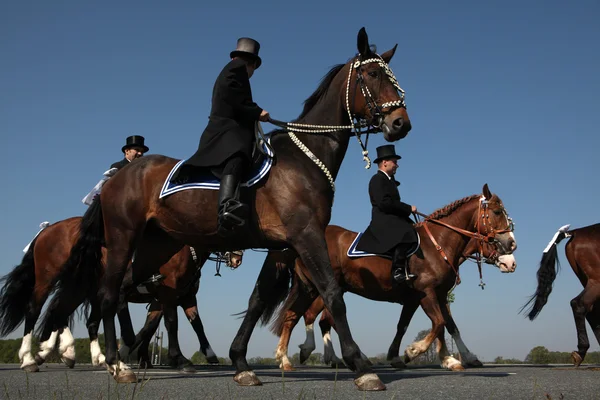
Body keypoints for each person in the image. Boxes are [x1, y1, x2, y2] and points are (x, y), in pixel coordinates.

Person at [170, 37, 270, 237]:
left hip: (230, 127)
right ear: (250, 63)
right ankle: (226, 206)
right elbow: (235, 98)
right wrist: (257, 111)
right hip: (226, 130)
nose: (252, 74)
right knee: (237, 156)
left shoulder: (234, 69)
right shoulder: (237, 70)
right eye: (254, 69)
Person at [355, 145, 419, 283]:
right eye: (394, 162)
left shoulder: (390, 181)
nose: (397, 165)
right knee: (406, 232)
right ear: (385, 162)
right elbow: (384, 203)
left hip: (391, 217)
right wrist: (408, 208)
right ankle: (397, 271)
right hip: (383, 219)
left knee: (415, 228)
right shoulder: (377, 179)